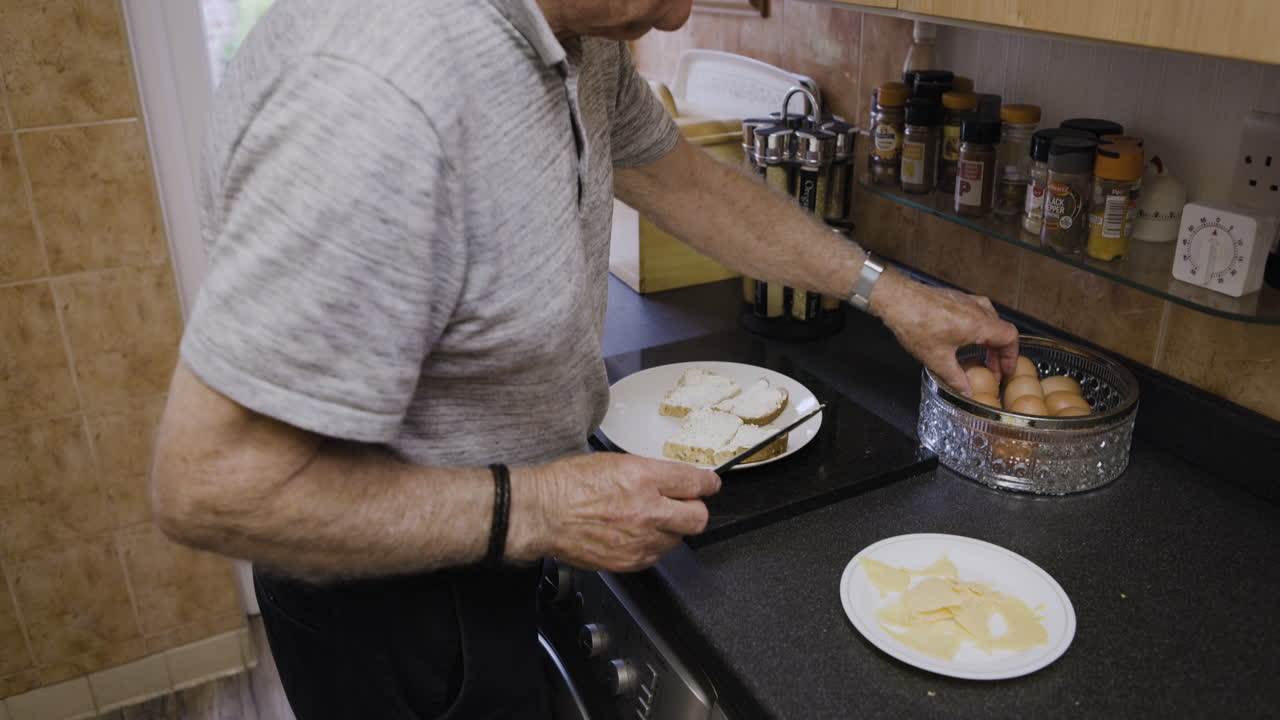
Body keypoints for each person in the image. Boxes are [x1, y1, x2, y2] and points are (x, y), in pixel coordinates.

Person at [151, 0, 1019, 717]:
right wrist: (536, 507)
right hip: (390, 602)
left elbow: (681, 180)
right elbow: (213, 484)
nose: (680, 17)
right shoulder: (374, 89)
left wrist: (890, 293)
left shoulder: (574, 38)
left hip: (489, 546)